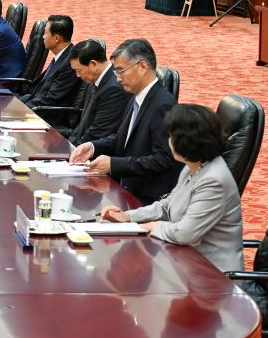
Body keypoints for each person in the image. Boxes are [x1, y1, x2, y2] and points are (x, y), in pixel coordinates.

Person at [99, 104, 243, 273]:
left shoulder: (213, 181)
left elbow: (186, 234)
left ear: (186, 141)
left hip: (213, 273)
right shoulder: (194, 166)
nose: (168, 141)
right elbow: (166, 206)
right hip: (185, 260)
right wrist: (128, 216)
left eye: (171, 136)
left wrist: (155, 226)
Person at [69, 38, 181, 205]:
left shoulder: (162, 104)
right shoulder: (136, 97)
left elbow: (163, 159)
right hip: (126, 186)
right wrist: (93, 147)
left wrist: (114, 164)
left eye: (121, 71)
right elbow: (122, 137)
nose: (118, 79)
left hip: (146, 197)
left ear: (142, 67)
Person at [67, 39, 131, 145]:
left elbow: (98, 132)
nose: (77, 75)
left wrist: (73, 150)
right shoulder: (94, 78)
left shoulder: (113, 89)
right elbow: (83, 123)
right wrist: (68, 144)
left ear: (94, 64)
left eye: (79, 71)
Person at [21, 15, 82, 127]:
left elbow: (52, 99)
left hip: (47, 116)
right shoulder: (62, 55)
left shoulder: (70, 63)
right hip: (36, 104)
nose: (43, 37)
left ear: (57, 38)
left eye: (45, 33)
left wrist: (20, 108)